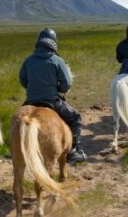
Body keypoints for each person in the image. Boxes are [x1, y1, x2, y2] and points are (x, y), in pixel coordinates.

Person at [19, 28, 87, 163]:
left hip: (30, 101)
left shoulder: (28, 60)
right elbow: (66, 84)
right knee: (76, 118)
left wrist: (34, 88)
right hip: (52, 101)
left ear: (39, 42)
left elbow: (23, 80)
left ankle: (17, 149)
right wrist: (58, 88)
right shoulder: (57, 60)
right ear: (53, 43)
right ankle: (73, 150)